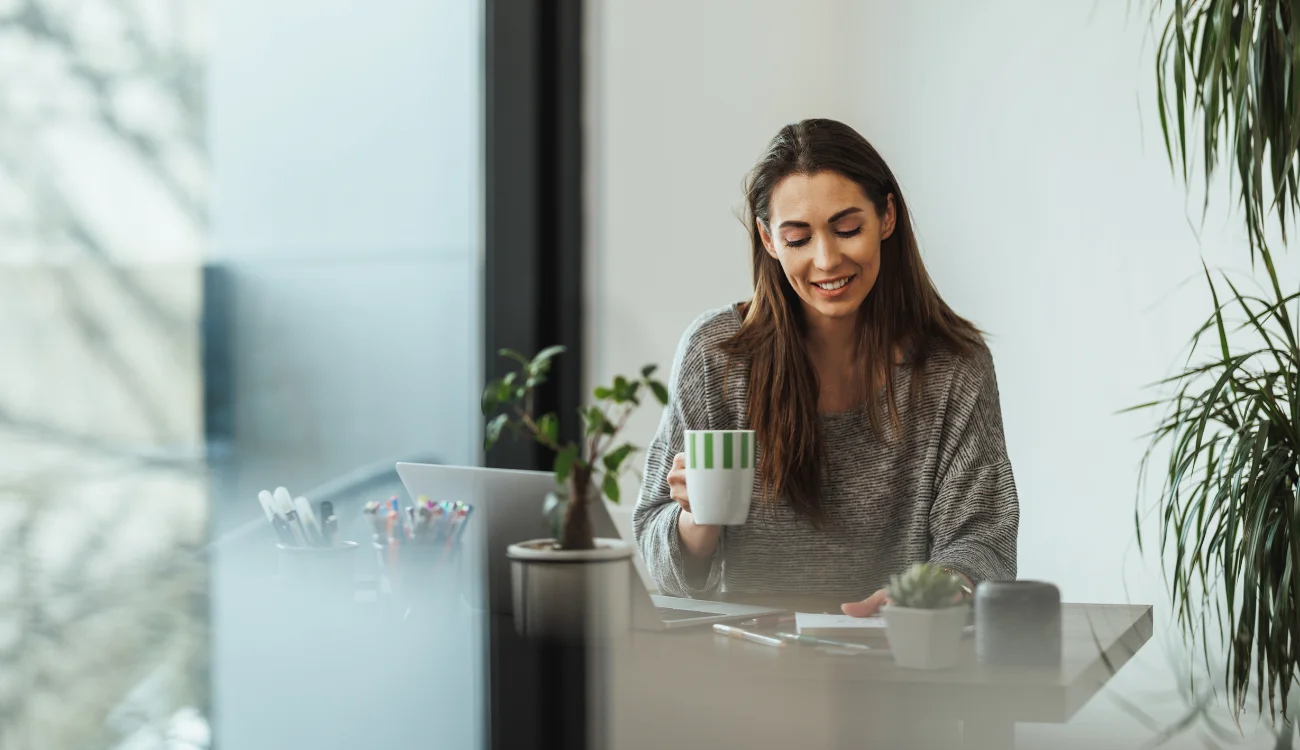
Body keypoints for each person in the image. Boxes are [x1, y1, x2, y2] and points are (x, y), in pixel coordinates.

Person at [631, 118, 1019, 617]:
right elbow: (661, 564)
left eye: (848, 229)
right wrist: (696, 521)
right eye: (798, 239)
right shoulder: (718, 354)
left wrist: (937, 592)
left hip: (897, 661)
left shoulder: (952, 365)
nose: (826, 259)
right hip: (747, 669)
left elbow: (983, 538)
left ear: (887, 218)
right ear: (769, 241)